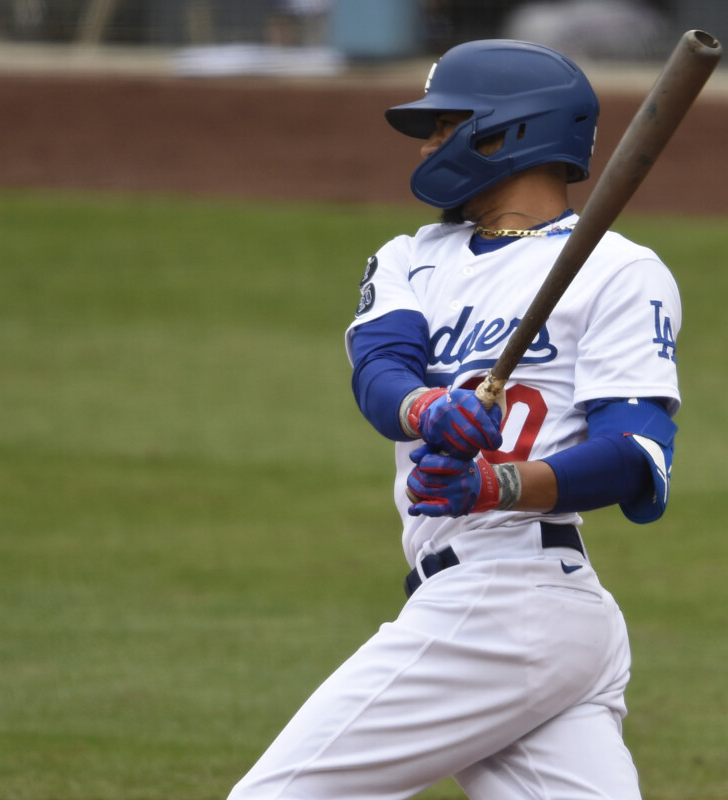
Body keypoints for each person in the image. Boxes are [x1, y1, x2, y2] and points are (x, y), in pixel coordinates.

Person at [229, 39, 680, 800]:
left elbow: (634, 455)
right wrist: (429, 405)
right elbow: (380, 371)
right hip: (529, 620)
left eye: (444, 125)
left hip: (506, 602)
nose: (431, 144)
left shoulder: (620, 270)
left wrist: (496, 484)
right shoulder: (414, 256)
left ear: (509, 131)